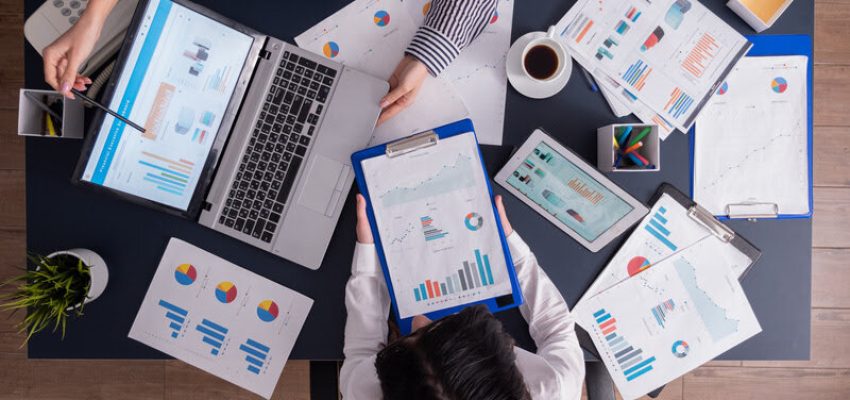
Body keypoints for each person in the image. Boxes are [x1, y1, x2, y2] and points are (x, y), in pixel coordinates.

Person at [342, 194, 585, 399]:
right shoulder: (555, 387)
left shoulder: (363, 390)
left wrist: (368, 258)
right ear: (505, 352)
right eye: (436, 325)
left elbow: (360, 353)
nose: (418, 318)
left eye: (412, 335)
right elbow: (556, 328)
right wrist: (508, 245)